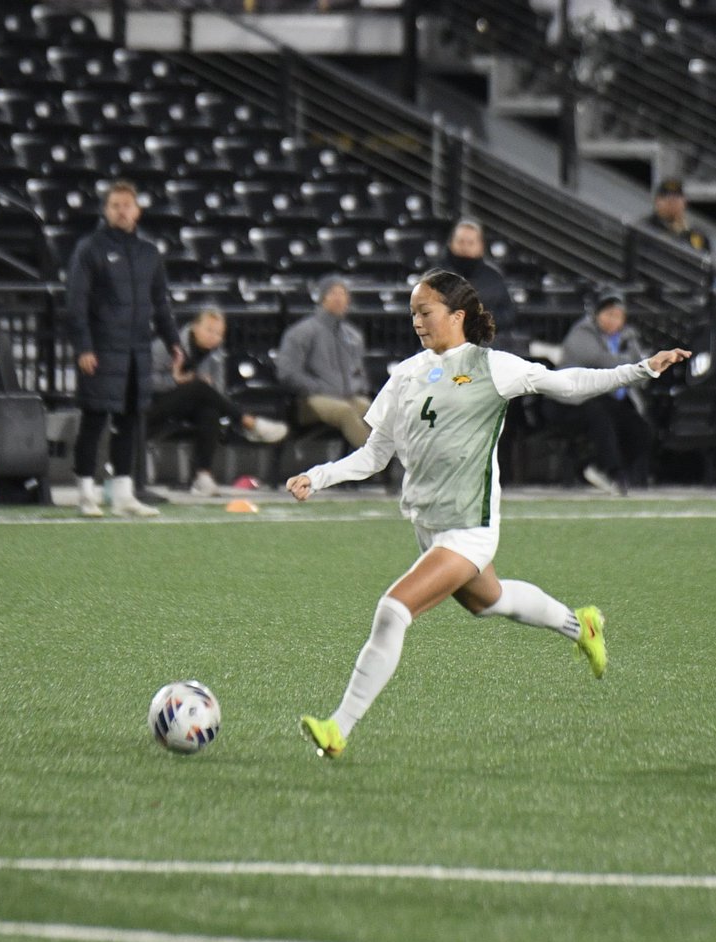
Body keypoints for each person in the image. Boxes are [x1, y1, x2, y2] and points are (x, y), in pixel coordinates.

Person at [287, 269, 689, 759]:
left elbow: (569, 383)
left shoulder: (493, 366)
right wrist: (319, 475)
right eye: (413, 311)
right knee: (489, 600)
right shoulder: (405, 376)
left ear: (457, 316)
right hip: (428, 525)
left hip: (469, 528)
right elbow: (374, 455)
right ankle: (580, 625)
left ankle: (338, 729)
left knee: (393, 610)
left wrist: (641, 368)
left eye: (426, 311)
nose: (417, 320)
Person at [66, 180, 182, 518]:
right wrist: (83, 346)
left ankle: (123, 493)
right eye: (115, 205)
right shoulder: (90, 249)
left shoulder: (148, 252)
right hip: (101, 349)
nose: (122, 211)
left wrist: (173, 340)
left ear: (137, 210)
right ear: (106, 210)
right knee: (94, 419)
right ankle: (86, 492)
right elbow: (76, 302)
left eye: (127, 205)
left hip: (136, 352)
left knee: (130, 423)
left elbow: (161, 302)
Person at [148, 307, 288, 496]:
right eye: (209, 330)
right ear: (194, 327)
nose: (213, 337)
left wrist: (201, 385)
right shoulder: (168, 346)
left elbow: (218, 393)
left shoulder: (215, 355)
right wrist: (175, 380)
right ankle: (249, 422)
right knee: (199, 387)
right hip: (153, 405)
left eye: (218, 333)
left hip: (189, 405)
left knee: (209, 409)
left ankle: (203, 475)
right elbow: (144, 380)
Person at [559, 288, 653, 495]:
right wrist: (633, 364)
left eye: (619, 316)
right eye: (609, 314)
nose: (614, 321)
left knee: (640, 428)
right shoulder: (582, 333)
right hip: (575, 399)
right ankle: (614, 473)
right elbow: (602, 362)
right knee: (601, 416)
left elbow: (644, 370)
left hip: (609, 397)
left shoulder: (628, 336)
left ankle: (598, 467)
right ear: (597, 314)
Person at [275, 275, 371, 450]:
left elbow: (359, 372)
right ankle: (376, 461)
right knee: (345, 412)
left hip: (348, 396)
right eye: (333, 293)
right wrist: (318, 387)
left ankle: (399, 458)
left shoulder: (352, 335)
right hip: (311, 399)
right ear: (322, 298)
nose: (339, 298)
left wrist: (357, 387)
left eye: (343, 294)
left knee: (374, 411)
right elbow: (287, 372)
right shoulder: (301, 332)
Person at [438, 219, 518, 350]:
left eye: (470, 243)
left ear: (481, 247)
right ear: (451, 244)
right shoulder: (436, 276)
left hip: (485, 349)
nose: (465, 247)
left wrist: (482, 321)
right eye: (460, 241)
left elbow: (508, 313)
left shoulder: (493, 278)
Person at [644, 178, 711, 255]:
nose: (672, 201)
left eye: (677, 197)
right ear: (657, 201)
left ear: (684, 202)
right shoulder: (646, 228)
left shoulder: (698, 237)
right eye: (666, 196)